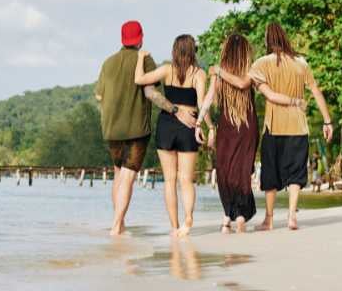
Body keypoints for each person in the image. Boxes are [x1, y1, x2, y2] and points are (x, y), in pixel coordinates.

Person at [96, 20, 196, 236]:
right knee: (129, 177)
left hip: (111, 129)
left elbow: (98, 95)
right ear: (140, 38)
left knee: (118, 175)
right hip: (136, 129)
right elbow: (151, 93)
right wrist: (174, 109)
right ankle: (116, 225)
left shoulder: (108, 63)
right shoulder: (146, 59)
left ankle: (119, 224)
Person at [195, 33, 301, 233]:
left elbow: (242, 83)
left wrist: (219, 71)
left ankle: (235, 215)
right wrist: (200, 122)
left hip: (236, 127)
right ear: (245, 53)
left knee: (233, 172)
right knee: (232, 172)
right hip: (240, 127)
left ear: (227, 53)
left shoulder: (251, 71)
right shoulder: (226, 74)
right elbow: (208, 98)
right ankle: (232, 214)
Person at [248, 23, 333, 230]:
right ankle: (292, 216)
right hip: (298, 127)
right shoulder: (301, 63)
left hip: (274, 127)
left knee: (270, 174)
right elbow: (316, 91)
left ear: (268, 40)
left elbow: (266, 94)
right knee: (296, 173)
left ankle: (269, 219)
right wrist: (327, 121)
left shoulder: (261, 64)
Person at [134, 34, 208, 237]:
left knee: (169, 180)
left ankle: (174, 226)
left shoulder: (167, 70)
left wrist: (140, 58)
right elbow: (202, 104)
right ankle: (188, 219)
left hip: (167, 124)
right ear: (193, 50)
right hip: (189, 125)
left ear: (175, 50)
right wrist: (203, 125)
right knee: (186, 180)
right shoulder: (199, 74)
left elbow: (139, 79)